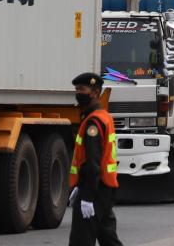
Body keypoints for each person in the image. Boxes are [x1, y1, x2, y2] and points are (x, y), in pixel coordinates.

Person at [69, 72, 123, 246]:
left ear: (95, 92)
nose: (78, 93)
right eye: (76, 89)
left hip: (94, 188)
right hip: (105, 188)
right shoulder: (104, 117)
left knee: (81, 240)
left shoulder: (93, 123)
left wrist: (87, 196)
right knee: (108, 238)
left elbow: (93, 163)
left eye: (82, 89)